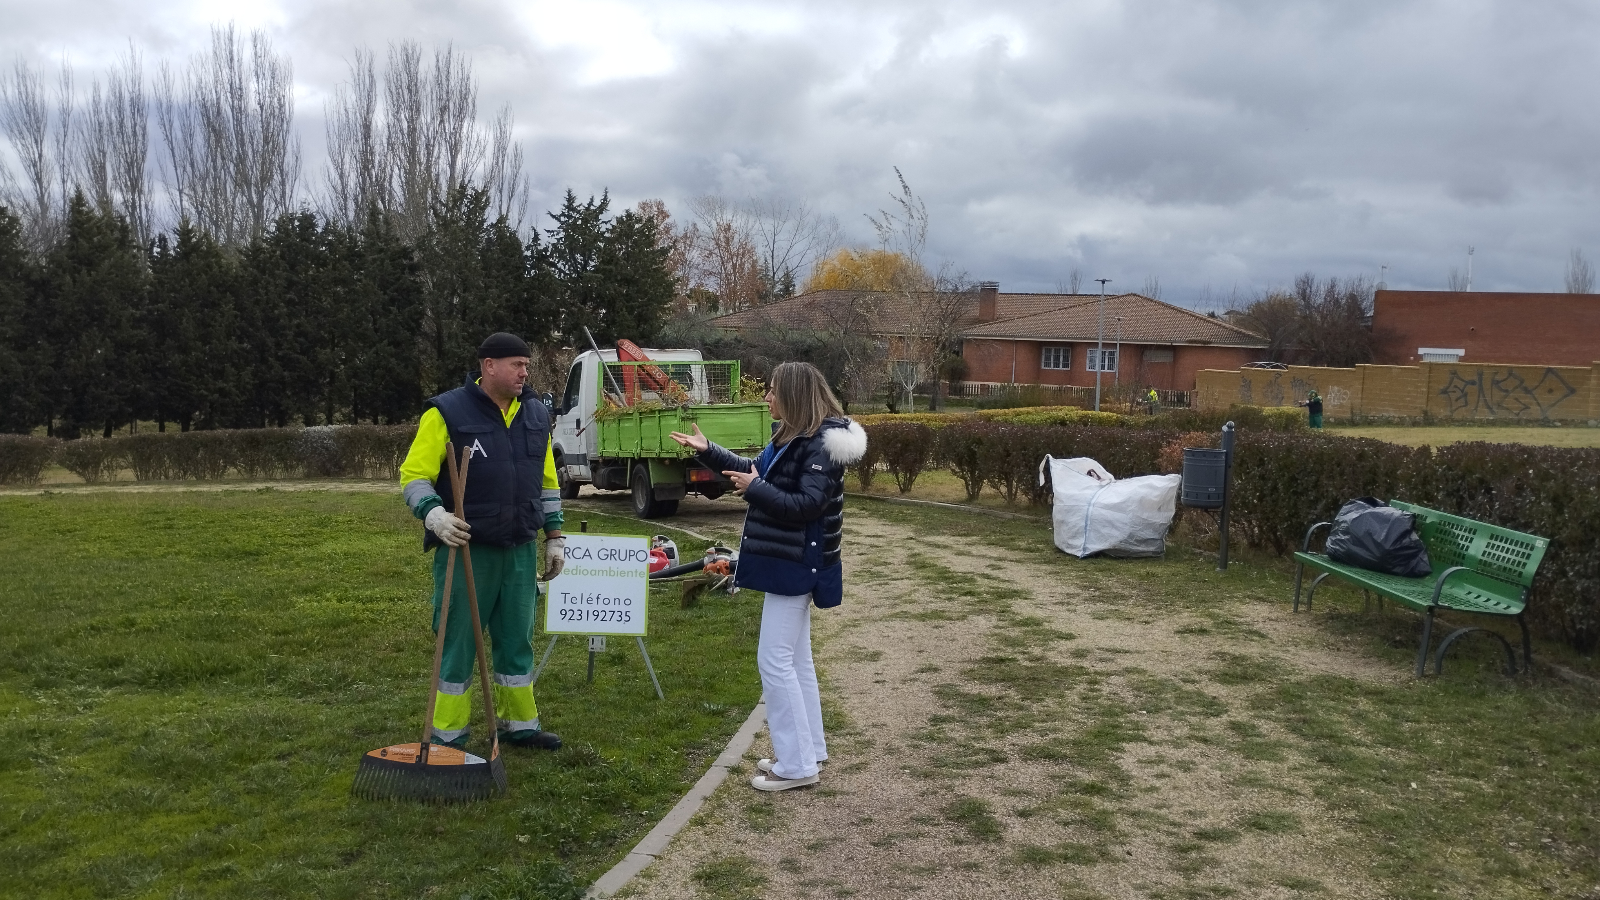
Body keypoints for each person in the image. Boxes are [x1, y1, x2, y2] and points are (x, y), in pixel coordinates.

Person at [668, 362, 867, 792]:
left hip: (795, 565)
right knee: (796, 661)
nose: (767, 398)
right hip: (787, 561)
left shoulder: (820, 445)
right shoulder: (790, 437)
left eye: (773, 391)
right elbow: (753, 470)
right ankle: (809, 751)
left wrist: (754, 488)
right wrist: (708, 449)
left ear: (793, 395)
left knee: (774, 661)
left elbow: (805, 505)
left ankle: (796, 767)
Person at [398, 332, 566, 751]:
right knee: (457, 641)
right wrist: (434, 515)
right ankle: (447, 735)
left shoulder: (535, 415)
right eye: (516, 365)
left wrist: (555, 536)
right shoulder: (447, 412)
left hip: (520, 549)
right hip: (467, 549)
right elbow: (414, 476)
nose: (524, 373)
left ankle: (520, 725)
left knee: (517, 640)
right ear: (488, 366)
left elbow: (546, 483)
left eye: (527, 366)